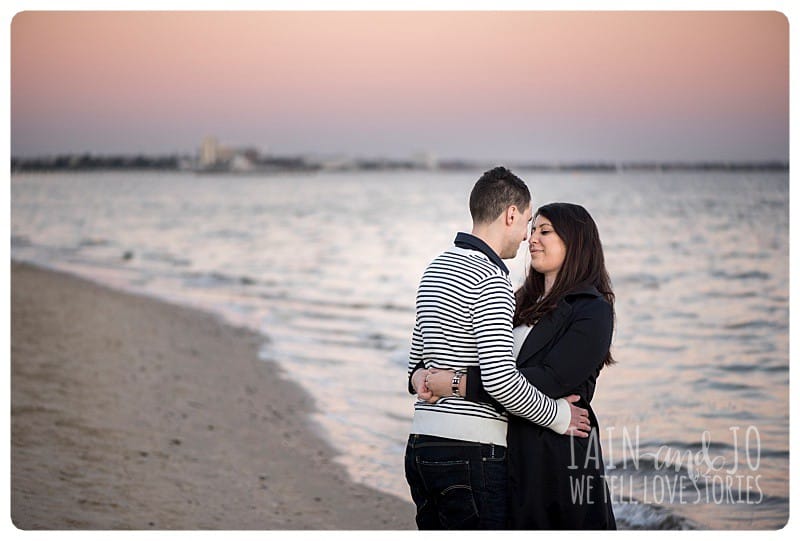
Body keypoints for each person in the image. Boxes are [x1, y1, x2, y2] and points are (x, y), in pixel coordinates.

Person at [404, 168, 591, 530]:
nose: (526, 237)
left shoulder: (434, 269)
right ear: (510, 214)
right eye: (526, 222)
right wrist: (558, 415)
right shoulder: (491, 279)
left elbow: (415, 370)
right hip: (470, 453)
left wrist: (429, 379)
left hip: (420, 448)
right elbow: (500, 381)